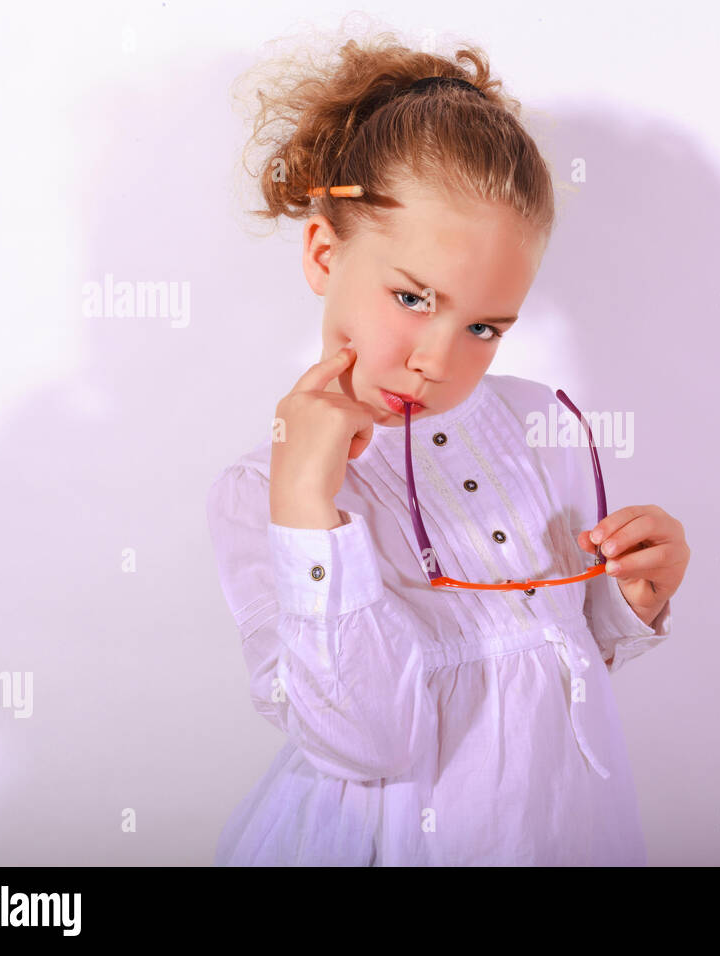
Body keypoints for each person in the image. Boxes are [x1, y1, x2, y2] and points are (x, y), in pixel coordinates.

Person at [206, 26, 690, 865]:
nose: (437, 360)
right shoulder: (265, 489)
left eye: (483, 326)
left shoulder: (545, 425)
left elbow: (548, 656)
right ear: (325, 251)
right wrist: (309, 510)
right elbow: (365, 740)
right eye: (411, 297)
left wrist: (633, 599)